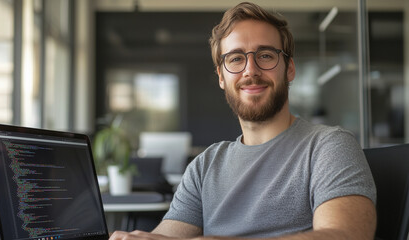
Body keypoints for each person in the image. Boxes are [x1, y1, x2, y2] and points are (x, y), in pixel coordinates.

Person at [109, 2, 377, 240]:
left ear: (289, 68)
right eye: (236, 58)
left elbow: (346, 235)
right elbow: (168, 236)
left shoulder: (328, 147)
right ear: (221, 77)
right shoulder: (205, 166)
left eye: (266, 56)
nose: (251, 70)